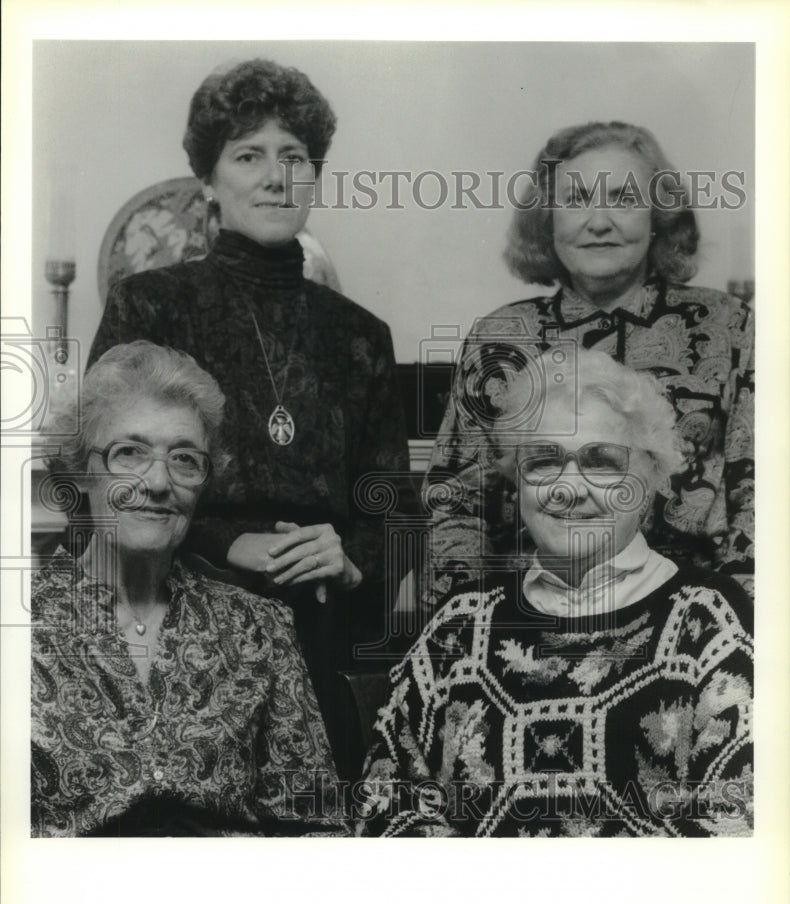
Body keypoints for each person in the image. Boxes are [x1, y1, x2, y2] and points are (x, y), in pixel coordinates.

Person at [87, 58, 411, 779]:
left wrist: (349, 553)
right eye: (249, 155)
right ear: (209, 178)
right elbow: (104, 485)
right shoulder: (151, 306)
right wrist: (230, 544)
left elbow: (392, 510)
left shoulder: (360, 333)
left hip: (324, 619)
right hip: (184, 600)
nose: (275, 177)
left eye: (294, 157)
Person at [358, 350, 753, 836]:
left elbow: (740, 820)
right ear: (515, 483)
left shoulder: (712, 620)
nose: (569, 487)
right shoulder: (459, 624)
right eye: (544, 461)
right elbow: (384, 802)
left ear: (650, 478)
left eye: (603, 462)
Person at [424, 121, 754, 613]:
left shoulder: (730, 326)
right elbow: (456, 505)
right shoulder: (499, 337)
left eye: (623, 198)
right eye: (576, 199)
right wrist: (466, 626)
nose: (599, 222)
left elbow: (761, 498)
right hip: (531, 611)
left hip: (687, 612)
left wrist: (737, 624)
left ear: (658, 216)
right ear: (547, 219)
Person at [32, 342, 344, 837]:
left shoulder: (259, 630)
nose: (158, 481)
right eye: (129, 452)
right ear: (78, 472)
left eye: (184, 459)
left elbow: (317, 828)